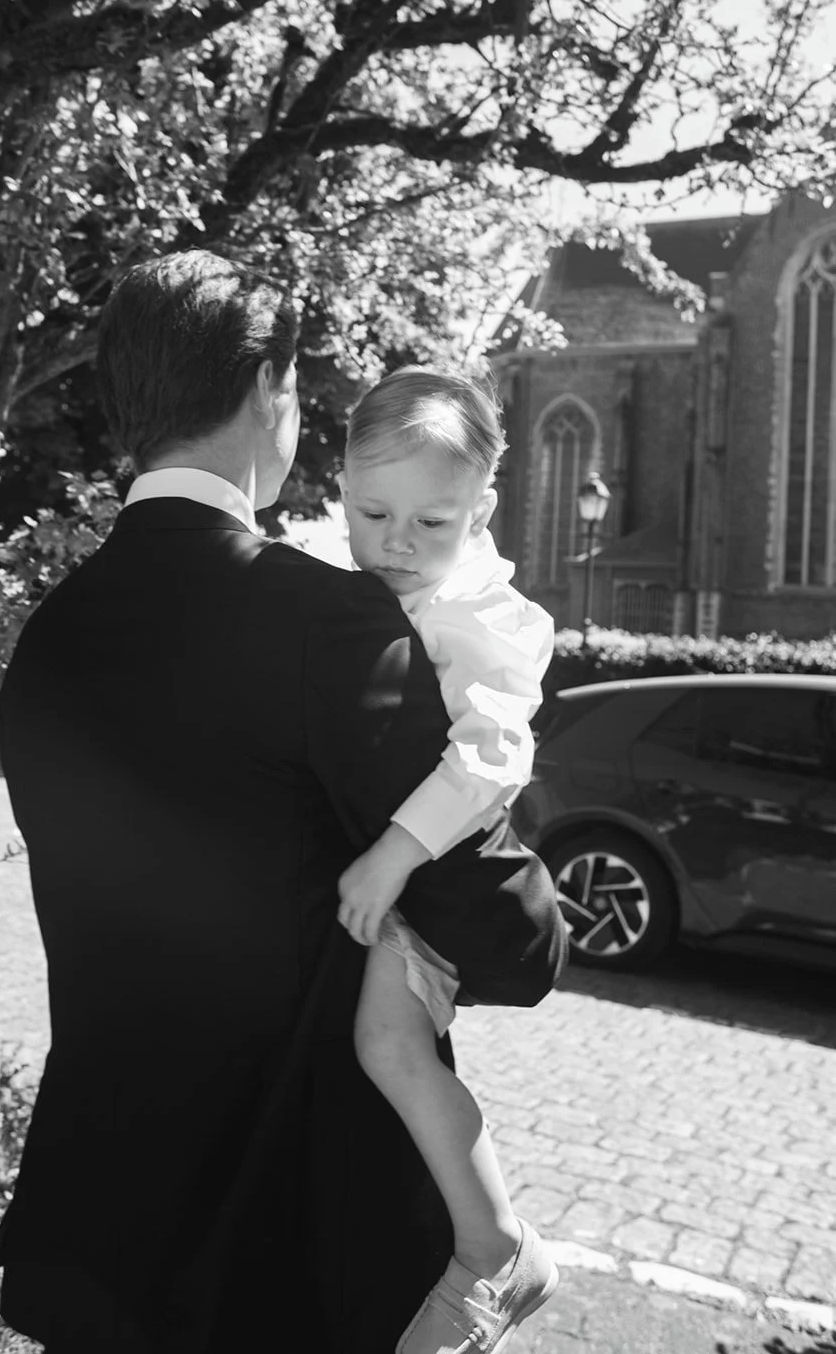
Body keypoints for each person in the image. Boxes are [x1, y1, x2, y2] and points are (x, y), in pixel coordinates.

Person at [0, 250, 566, 1353]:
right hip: (288, 1235)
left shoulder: (49, 639)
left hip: (99, 1227)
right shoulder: (326, 620)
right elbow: (512, 938)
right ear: (268, 389)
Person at [335, 366, 558, 1354]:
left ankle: (494, 1247)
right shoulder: (348, 579)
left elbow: (492, 756)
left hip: (438, 882)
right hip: (398, 882)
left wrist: (393, 852)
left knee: (386, 1046)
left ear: (481, 512)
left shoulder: (479, 614)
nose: (396, 542)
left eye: (431, 523)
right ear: (340, 485)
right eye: (372, 513)